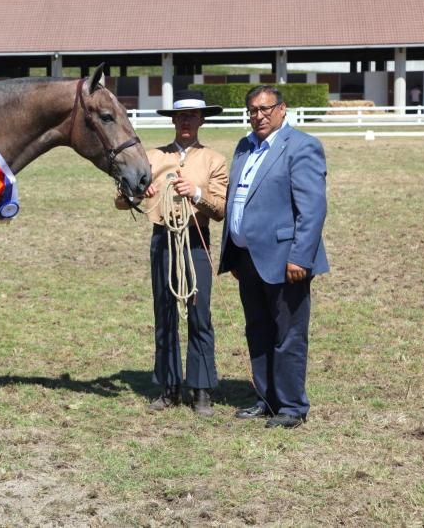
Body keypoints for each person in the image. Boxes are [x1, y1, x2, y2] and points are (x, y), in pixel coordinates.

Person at [218, 85, 329, 429]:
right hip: (248, 258)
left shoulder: (302, 146)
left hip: (286, 261)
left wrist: (300, 257)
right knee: (258, 331)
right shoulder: (244, 147)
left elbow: (312, 210)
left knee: (289, 334)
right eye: (253, 110)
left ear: (283, 110)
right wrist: (234, 254)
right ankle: (266, 398)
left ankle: (292, 407)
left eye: (266, 109)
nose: (259, 115)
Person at [117, 90, 228, 416]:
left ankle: (202, 388)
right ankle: (168, 386)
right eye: (181, 116)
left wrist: (195, 193)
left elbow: (220, 209)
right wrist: (138, 193)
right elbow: (121, 200)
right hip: (162, 239)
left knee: (199, 315)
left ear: (202, 120)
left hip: (196, 241)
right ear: (173, 120)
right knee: (164, 315)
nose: (186, 121)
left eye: (192, 116)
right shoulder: (150, 157)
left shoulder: (215, 161)